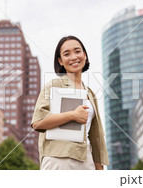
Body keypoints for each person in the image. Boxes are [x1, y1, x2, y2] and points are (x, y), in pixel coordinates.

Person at [31, 35, 109, 170]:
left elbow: (95, 136)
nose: (73, 57)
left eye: (77, 51)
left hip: (87, 160)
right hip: (59, 159)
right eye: (67, 54)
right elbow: (38, 123)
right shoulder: (53, 86)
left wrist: (99, 167)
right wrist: (72, 115)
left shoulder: (90, 93)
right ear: (60, 61)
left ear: (84, 55)